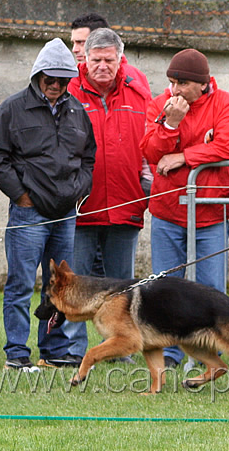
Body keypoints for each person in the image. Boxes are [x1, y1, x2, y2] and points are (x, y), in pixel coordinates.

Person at [0, 38, 96, 371]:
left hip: (65, 214)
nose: (56, 85)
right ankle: (17, 353)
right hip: (28, 213)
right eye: (50, 79)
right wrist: (21, 196)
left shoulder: (77, 111)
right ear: (38, 76)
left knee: (62, 286)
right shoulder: (12, 108)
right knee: (21, 283)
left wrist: (79, 189)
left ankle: (54, 350)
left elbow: (88, 157)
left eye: (63, 80)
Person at [140, 48, 229, 368]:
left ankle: (209, 353)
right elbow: (150, 151)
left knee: (212, 288)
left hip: (210, 213)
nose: (175, 90)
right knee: (166, 286)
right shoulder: (161, 105)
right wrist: (171, 125)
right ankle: (169, 353)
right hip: (168, 211)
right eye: (172, 81)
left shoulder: (224, 103)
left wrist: (185, 157)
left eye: (182, 83)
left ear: (201, 84)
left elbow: (228, 144)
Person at [67, 28, 152, 359]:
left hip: (126, 205)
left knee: (122, 288)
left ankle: (120, 349)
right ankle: (72, 350)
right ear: (84, 59)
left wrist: (144, 193)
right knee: (75, 284)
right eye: (96, 60)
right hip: (80, 209)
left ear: (121, 59)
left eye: (109, 60)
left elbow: (149, 150)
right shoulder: (69, 94)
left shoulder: (139, 96)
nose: (103, 66)